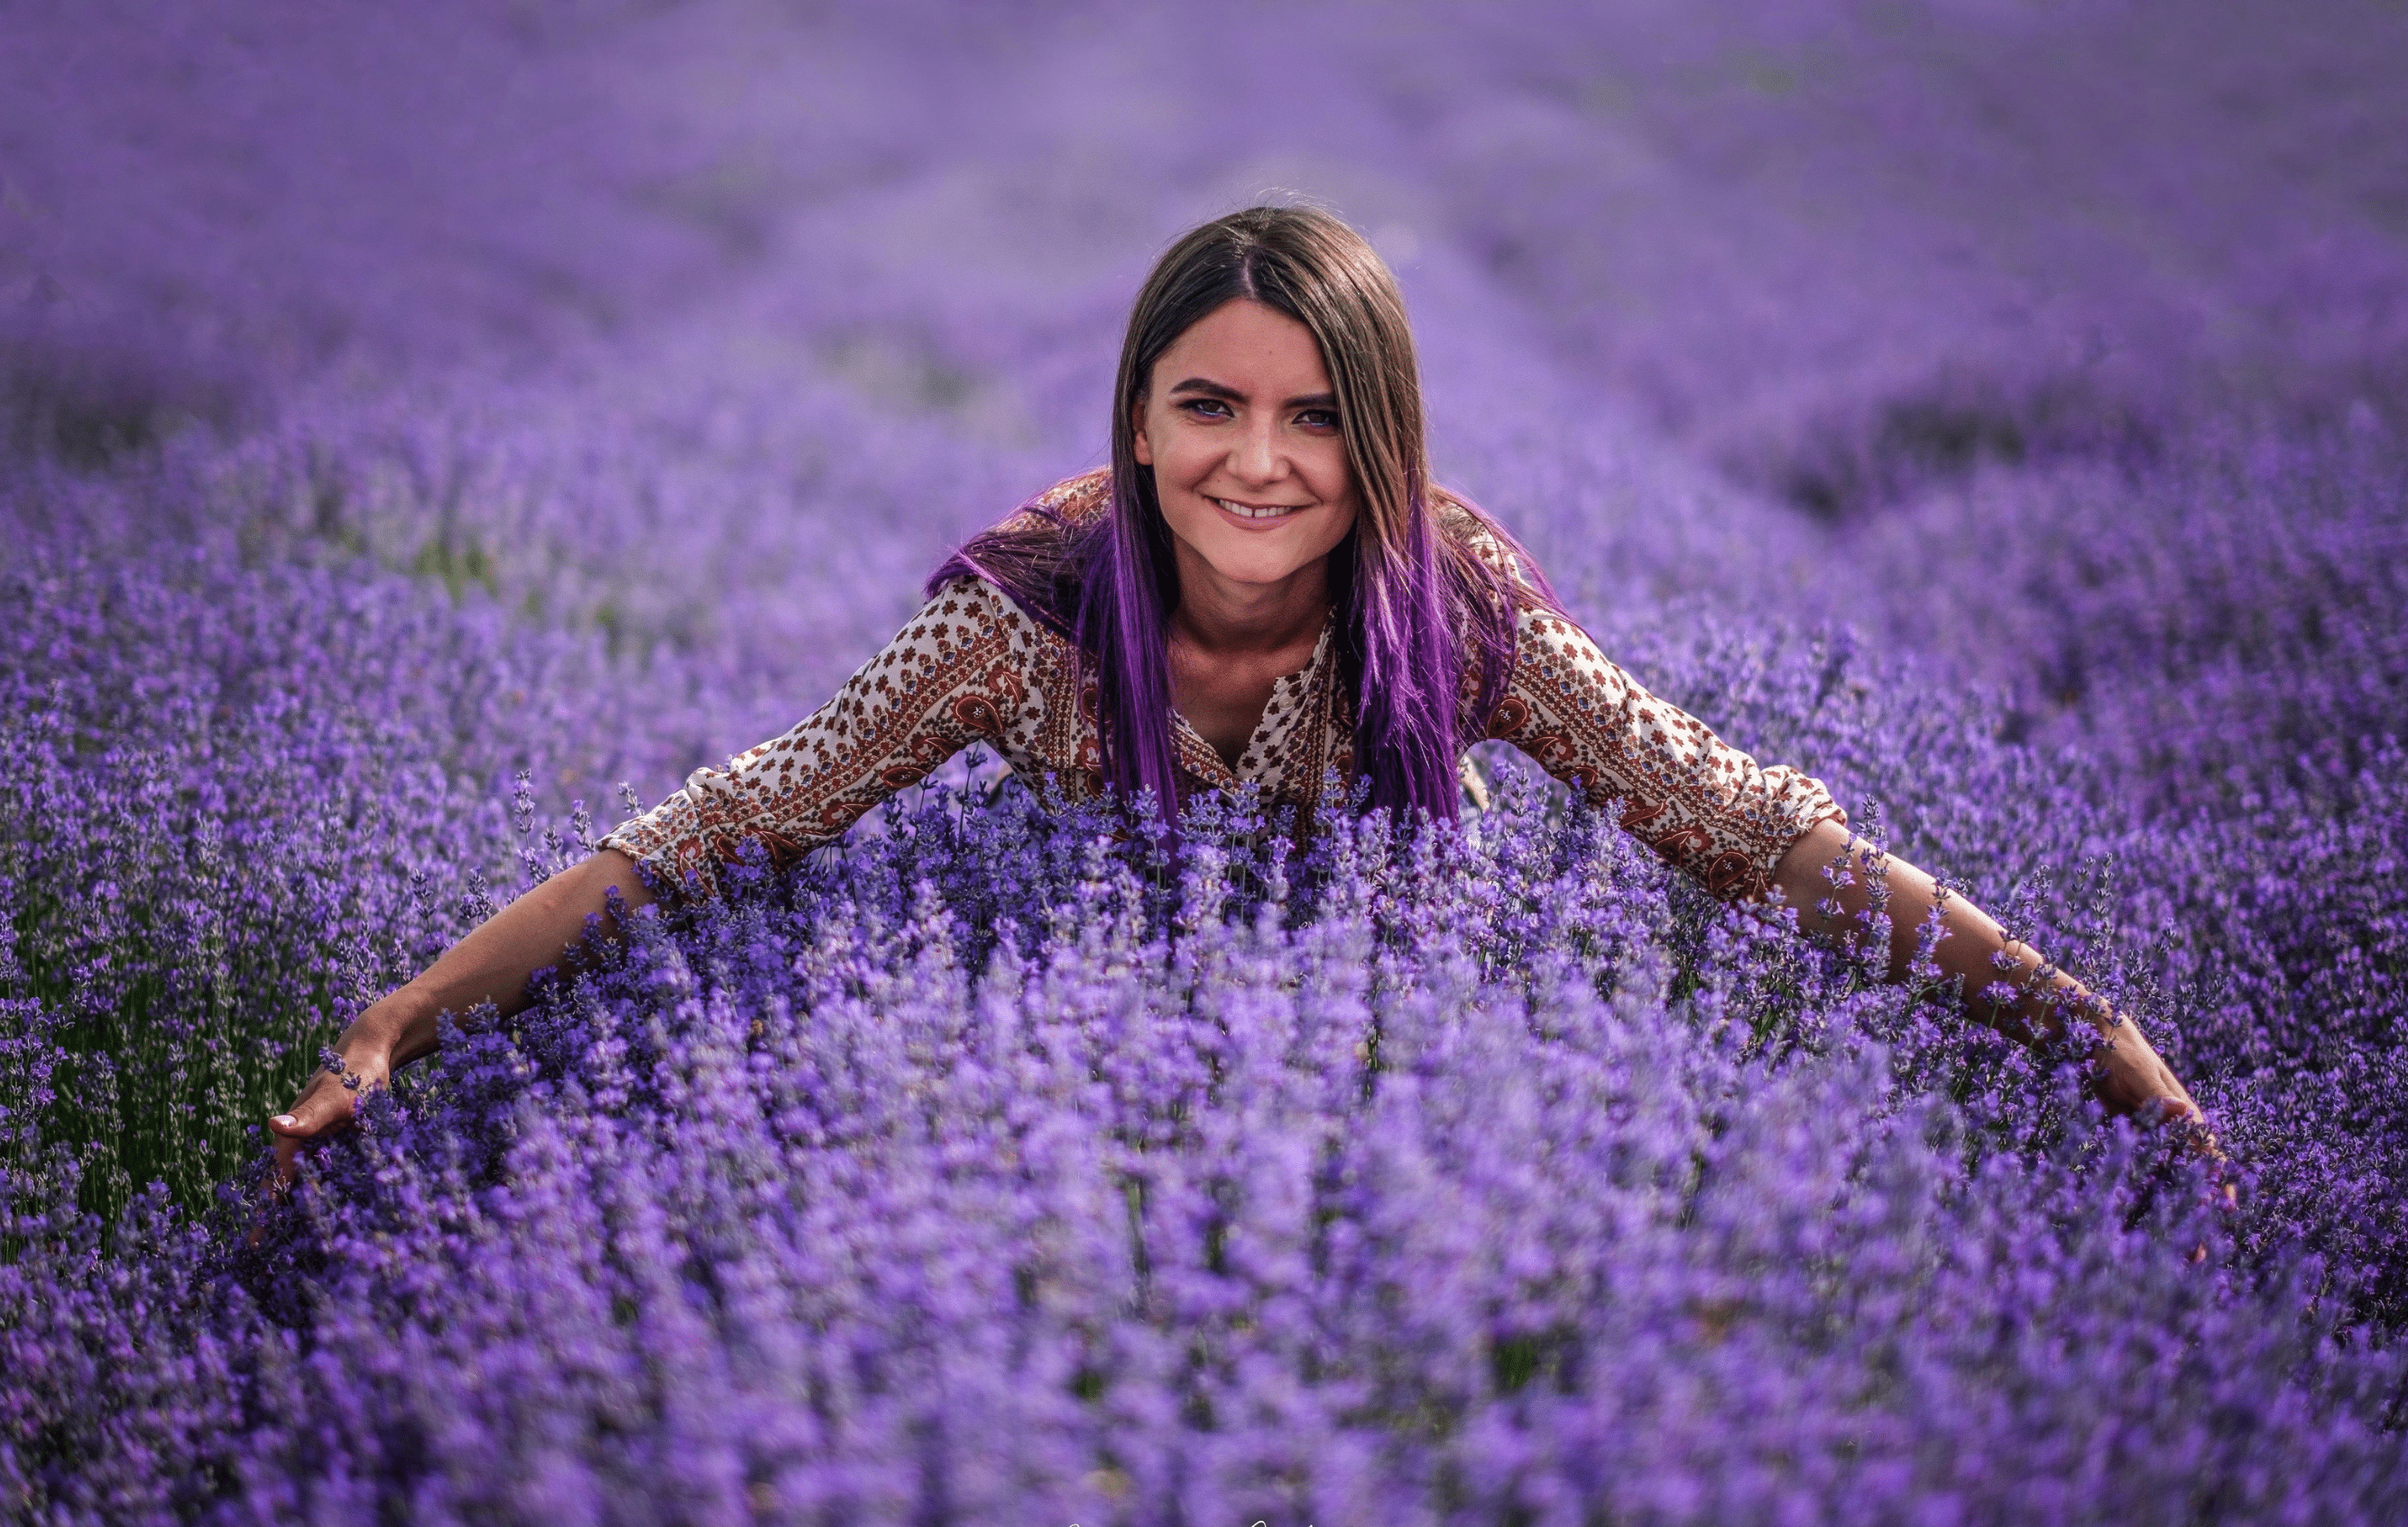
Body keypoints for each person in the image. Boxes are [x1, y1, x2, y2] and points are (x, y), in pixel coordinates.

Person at [270, 206, 2201, 1179]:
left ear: (1381, 439)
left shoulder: (1452, 606)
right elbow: (728, 822)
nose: (1258, 463)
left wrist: (2084, 1030)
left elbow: (1748, 836)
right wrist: (397, 1023)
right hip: (1066, 1055)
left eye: (1316, 416)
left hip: (1388, 1063)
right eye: (1208, 407)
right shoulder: (1020, 619)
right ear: (1136, 421)